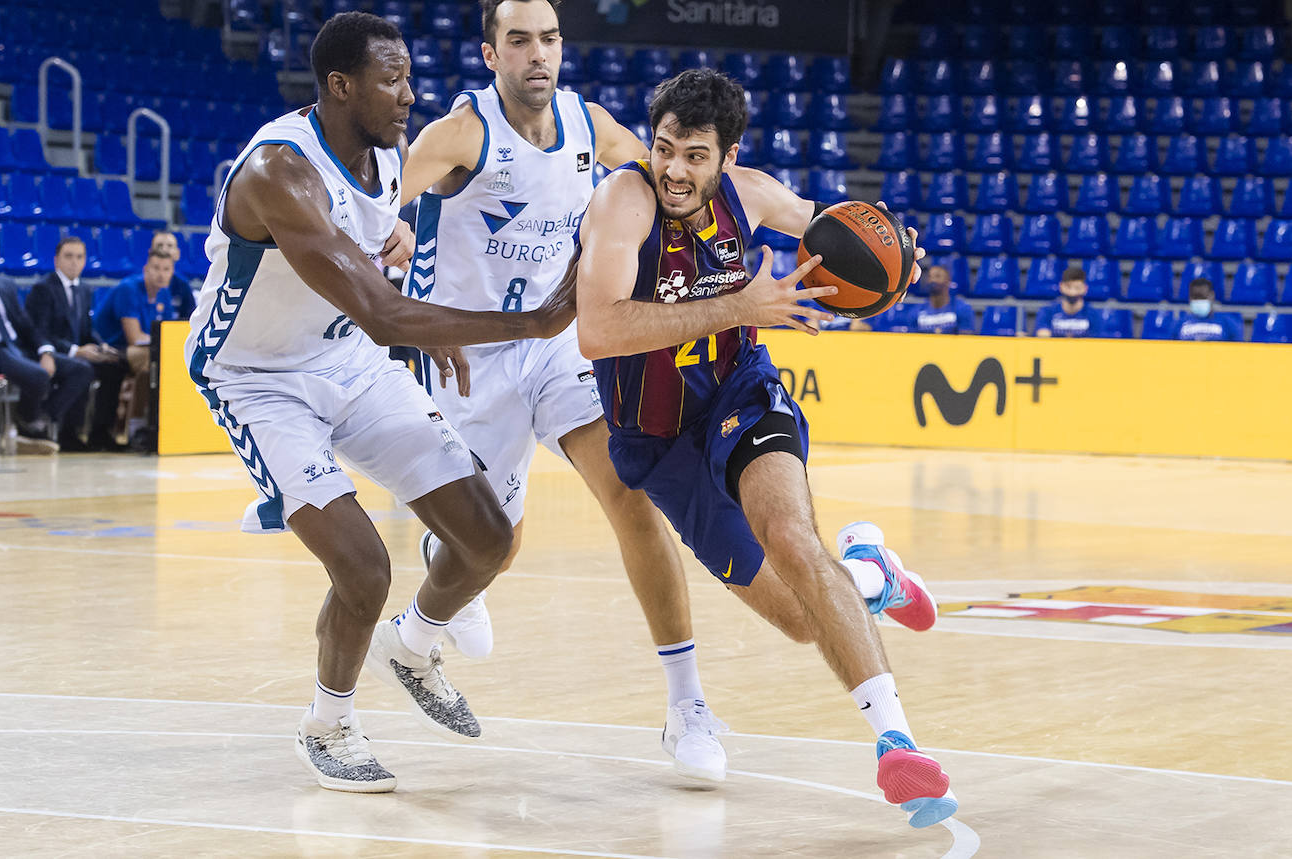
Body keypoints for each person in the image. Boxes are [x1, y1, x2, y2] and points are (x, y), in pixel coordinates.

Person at [183, 12, 574, 794]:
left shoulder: (388, 151)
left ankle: (416, 641)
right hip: (258, 379)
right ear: (340, 86)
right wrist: (531, 322)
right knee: (363, 566)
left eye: (409, 76)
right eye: (392, 79)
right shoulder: (277, 173)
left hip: (349, 359)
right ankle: (328, 723)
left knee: (488, 538)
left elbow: (373, 272)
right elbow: (383, 312)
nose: (409, 94)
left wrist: (404, 292)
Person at [574, 68, 958, 828]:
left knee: (789, 533)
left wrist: (896, 256)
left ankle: (897, 744)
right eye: (665, 149)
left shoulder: (749, 193)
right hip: (656, 442)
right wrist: (739, 304)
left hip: (739, 393)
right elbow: (599, 330)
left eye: (694, 155)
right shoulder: (624, 202)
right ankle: (869, 574)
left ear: (728, 155)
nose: (675, 170)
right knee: (803, 617)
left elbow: (837, 228)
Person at [380, 0, 725, 780]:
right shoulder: (460, 135)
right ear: (490, 52)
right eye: (519, 40)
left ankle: (687, 704)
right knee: (494, 541)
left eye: (549, 38)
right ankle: (427, 611)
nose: (538, 54)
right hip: (473, 358)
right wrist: (390, 231)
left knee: (632, 492)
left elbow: (661, 187)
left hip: (560, 344)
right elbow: (377, 200)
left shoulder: (590, 126)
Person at [0, 229, 92, 451]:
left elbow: (26, 326)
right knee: (35, 374)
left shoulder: (5, 285)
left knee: (71, 370)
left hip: (13, 347)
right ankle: (30, 425)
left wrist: (45, 350)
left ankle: (34, 421)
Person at [26, 236, 129, 451]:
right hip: (49, 352)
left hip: (76, 353)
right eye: (69, 256)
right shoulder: (42, 288)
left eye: (79, 257)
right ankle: (56, 425)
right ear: (56, 260)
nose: (74, 262)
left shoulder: (84, 289)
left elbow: (85, 330)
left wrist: (101, 346)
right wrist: (76, 351)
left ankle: (100, 432)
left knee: (116, 365)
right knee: (82, 369)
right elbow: (39, 332)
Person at [93, 249, 186, 448]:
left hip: (140, 351)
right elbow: (134, 338)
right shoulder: (129, 289)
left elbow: (166, 334)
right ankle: (137, 427)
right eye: (156, 268)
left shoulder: (164, 295)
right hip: (108, 347)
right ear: (146, 269)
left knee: (157, 361)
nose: (161, 274)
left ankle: (153, 426)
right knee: (152, 361)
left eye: (166, 269)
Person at [1033, 266, 1103, 337]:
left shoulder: (1094, 314)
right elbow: (1042, 337)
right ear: (1061, 286)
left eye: (1077, 288)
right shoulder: (1047, 311)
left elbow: (1096, 341)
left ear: (1085, 289)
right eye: (1068, 287)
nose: (1072, 292)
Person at [910, 265, 975, 334]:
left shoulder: (962, 308)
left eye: (937, 276)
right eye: (930, 276)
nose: (933, 280)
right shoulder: (917, 310)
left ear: (948, 280)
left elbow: (966, 339)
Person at [150, 230, 198, 320]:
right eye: (159, 245)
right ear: (151, 251)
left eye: (169, 246)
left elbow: (189, 322)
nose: (164, 249)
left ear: (177, 254)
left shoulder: (183, 286)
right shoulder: (139, 284)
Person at [1175, 278, 1243, 341]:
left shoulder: (1228, 323)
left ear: (1212, 296)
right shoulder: (1180, 324)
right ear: (1190, 298)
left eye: (1202, 297)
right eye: (1196, 297)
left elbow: (1238, 348)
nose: (1199, 301)